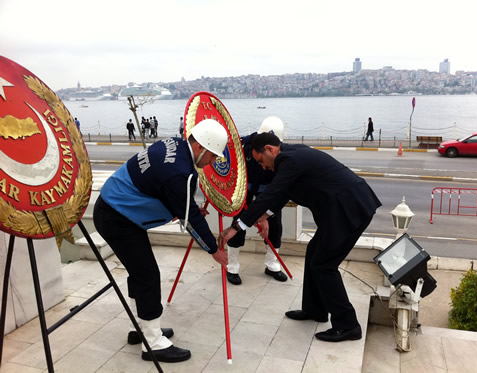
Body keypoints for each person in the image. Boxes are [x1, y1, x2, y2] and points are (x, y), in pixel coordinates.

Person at [219, 133, 381, 343]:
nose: (262, 167)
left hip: (349, 210)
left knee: (324, 265)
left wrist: (235, 228)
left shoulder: (289, 160)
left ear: (270, 149)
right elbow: (282, 194)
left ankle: (348, 325)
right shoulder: (290, 155)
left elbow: (271, 193)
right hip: (338, 211)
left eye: (261, 161)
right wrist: (264, 216)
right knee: (314, 254)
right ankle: (316, 310)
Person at [93, 119, 229, 363]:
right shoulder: (180, 173)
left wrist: (186, 206)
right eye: (212, 156)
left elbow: (163, 188)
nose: (211, 163)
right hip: (118, 217)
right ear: (200, 147)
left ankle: (144, 328)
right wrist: (212, 249)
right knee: (147, 275)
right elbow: (191, 221)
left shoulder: (174, 144)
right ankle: (153, 344)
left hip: (115, 208)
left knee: (139, 273)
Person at [226, 116, 287, 285]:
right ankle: (232, 267)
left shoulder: (282, 152)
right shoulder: (244, 144)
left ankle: (272, 265)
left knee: (275, 227)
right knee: (238, 225)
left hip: (268, 192)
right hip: (245, 190)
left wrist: (265, 215)